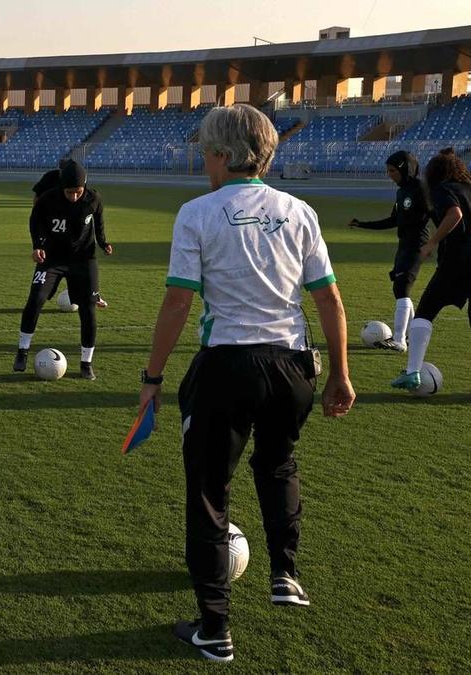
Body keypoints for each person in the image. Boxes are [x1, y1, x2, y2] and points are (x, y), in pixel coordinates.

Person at [138, 104, 355, 662]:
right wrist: (341, 374)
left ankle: (214, 628)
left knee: (210, 493)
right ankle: (285, 575)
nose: (202, 161)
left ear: (218, 154)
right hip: (291, 367)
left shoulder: (198, 213)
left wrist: (153, 376)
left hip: (227, 366)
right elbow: (328, 297)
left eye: (203, 152)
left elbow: (180, 300)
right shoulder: (299, 211)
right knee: (278, 463)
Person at [391, 149, 471, 402]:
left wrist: (431, 243)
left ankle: (412, 372)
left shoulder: (443, 190)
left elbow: (455, 214)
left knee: (425, 313)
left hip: (460, 260)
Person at [14, 160, 112, 380]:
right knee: (36, 299)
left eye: (78, 192)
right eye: (69, 192)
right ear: (61, 187)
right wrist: (37, 245)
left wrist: (104, 242)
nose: (74, 197)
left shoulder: (93, 199)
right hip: (52, 258)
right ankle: (22, 352)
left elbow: (99, 221)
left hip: (84, 260)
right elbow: (35, 220)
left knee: (88, 309)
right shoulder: (49, 199)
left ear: (84, 186)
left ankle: (86, 363)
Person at [348, 151, 432, 351]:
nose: (390, 174)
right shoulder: (401, 191)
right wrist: (362, 224)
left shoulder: (420, 188)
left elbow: (434, 213)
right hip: (404, 245)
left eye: (393, 170)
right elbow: (393, 220)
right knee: (400, 289)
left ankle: (400, 340)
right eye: (388, 170)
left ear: (405, 168)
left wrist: (435, 243)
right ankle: (409, 336)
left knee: (401, 288)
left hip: (417, 245)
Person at [33, 158, 108, 309]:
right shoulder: (50, 178)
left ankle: (93, 294)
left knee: (79, 260)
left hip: (74, 227)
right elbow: (37, 197)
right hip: (54, 228)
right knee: (55, 262)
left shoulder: (80, 186)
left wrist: (103, 241)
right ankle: (44, 292)